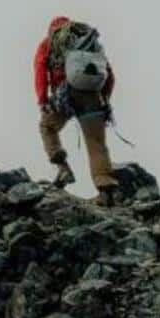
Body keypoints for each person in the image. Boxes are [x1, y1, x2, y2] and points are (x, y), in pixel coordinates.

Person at [33, 16, 119, 201]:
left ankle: (63, 168)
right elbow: (109, 75)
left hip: (66, 96)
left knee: (47, 127)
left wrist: (43, 100)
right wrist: (104, 100)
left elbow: (40, 70)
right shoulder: (89, 44)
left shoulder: (48, 44)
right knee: (96, 143)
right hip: (93, 96)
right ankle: (106, 190)